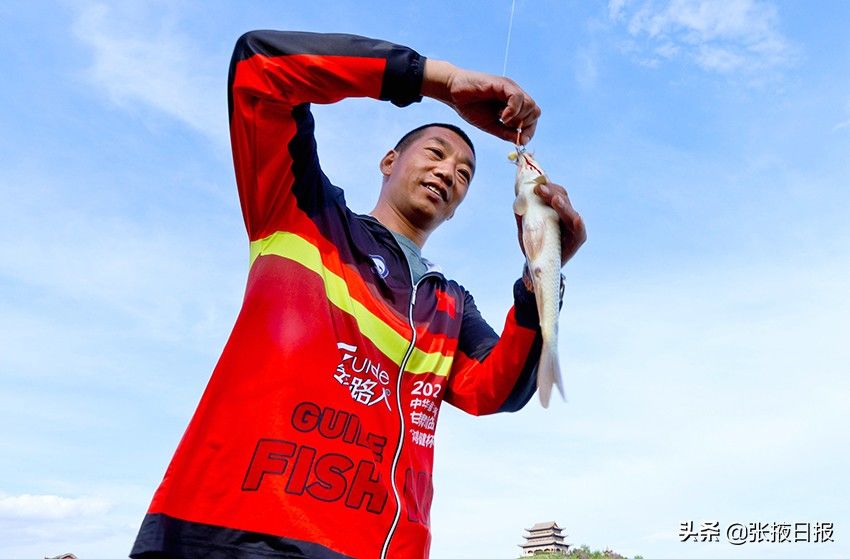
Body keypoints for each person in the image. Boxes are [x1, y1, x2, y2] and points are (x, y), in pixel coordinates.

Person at [130, 30, 585, 559]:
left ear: (459, 206)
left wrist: (539, 280)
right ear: (389, 161)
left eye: (463, 175)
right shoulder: (302, 213)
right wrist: (441, 81)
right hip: (231, 536)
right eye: (436, 153)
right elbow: (261, 67)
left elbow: (496, 390)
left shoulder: (451, 306)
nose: (448, 172)